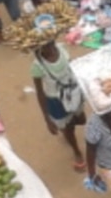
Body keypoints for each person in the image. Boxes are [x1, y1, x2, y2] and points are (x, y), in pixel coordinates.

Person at [31, 40, 87, 171]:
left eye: (51, 43)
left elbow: (71, 66)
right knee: (69, 128)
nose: (50, 48)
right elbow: (40, 93)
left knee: (81, 119)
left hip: (72, 92)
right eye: (45, 46)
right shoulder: (37, 66)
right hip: (56, 101)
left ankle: (66, 129)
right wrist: (47, 119)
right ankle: (76, 151)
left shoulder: (61, 48)